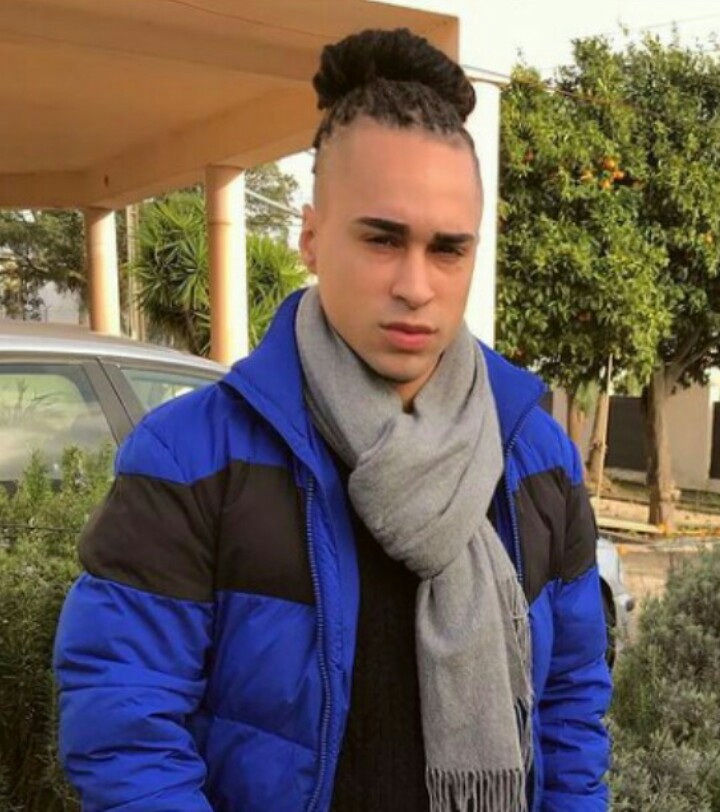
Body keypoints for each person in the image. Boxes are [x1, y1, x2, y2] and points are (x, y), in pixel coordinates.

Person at [54, 27, 611, 812]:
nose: (415, 285)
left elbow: (570, 709)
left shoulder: (538, 458)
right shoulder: (190, 461)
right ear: (312, 238)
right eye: (383, 239)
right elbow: (124, 730)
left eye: (448, 249)